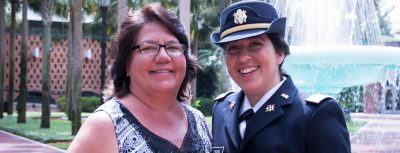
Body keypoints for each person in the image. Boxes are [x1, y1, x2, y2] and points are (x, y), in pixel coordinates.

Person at [68, 3, 212, 153]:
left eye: (173, 47)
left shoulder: (197, 120)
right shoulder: (105, 126)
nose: (163, 57)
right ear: (126, 63)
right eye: (148, 47)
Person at [210, 1, 351, 153]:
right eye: (233, 48)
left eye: (255, 44)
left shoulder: (315, 114)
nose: (243, 58)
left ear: (280, 53)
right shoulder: (221, 110)